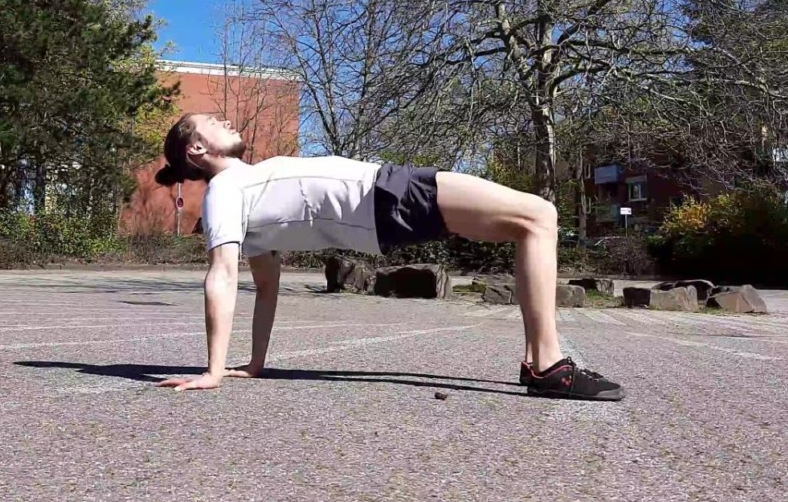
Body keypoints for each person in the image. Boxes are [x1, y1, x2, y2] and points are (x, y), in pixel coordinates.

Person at [152, 113, 625, 402]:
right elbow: (223, 273)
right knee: (539, 215)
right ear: (198, 148)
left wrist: (255, 364)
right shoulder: (225, 190)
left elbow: (268, 285)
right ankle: (548, 365)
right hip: (387, 194)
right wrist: (214, 371)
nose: (225, 122)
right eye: (212, 122)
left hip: (388, 196)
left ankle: (537, 361)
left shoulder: (245, 181)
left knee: (529, 225)